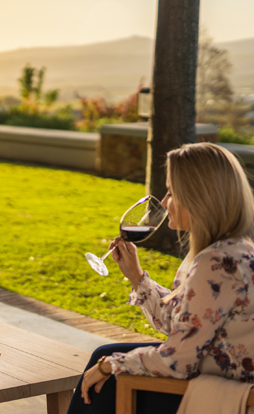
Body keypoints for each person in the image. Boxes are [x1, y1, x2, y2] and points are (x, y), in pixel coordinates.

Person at [67, 142, 254, 414]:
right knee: (105, 354)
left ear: (199, 197)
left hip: (228, 391)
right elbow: (181, 324)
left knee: (107, 374)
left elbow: (178, 361)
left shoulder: (216, 262)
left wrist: (111, 364)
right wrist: (137, 277)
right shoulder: (234, 248)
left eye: (171, 192)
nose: (165, 203)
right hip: (217, 371)